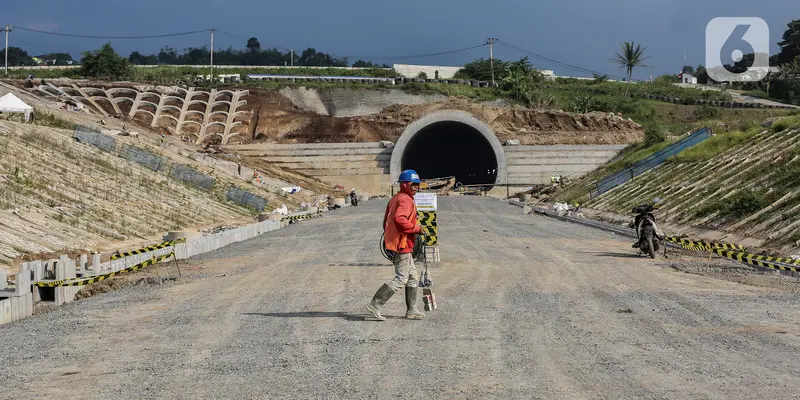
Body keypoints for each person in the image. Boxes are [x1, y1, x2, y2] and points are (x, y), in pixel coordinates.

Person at [365, 169, 425, 321]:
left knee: (413, 276)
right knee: (401, 278)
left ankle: (411, 310)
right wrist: (417, 228)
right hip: (402, 244)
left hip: (399, 242)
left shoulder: (396, 198)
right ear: (406, 185)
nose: (417, 187)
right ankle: (375, 304)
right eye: (414, 185)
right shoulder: (405, 200)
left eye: (418, 185)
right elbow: (399, 219)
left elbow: (386, 221)